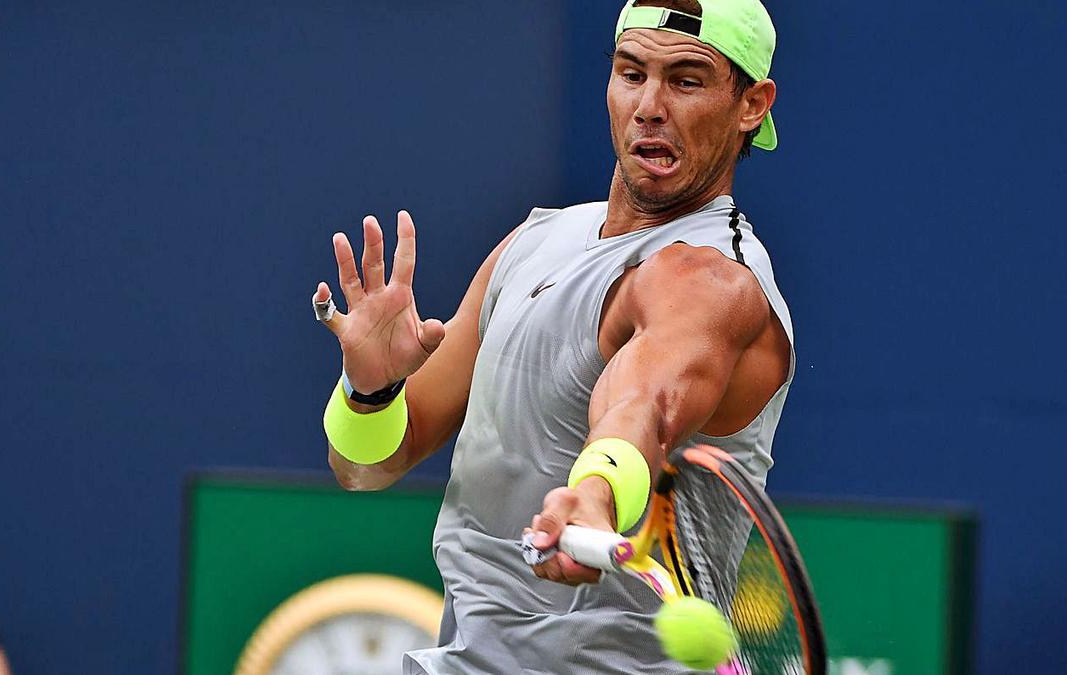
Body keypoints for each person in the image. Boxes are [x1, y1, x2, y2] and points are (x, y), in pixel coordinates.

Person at [313, 0, 791, 671]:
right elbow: (365, 469)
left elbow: (642, 404)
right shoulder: (534, 242)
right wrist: (371, 392)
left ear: (752, 104)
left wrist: (593, 493)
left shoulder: (714, 280)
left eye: (686, 80)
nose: (650, 105)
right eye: (632, 73)